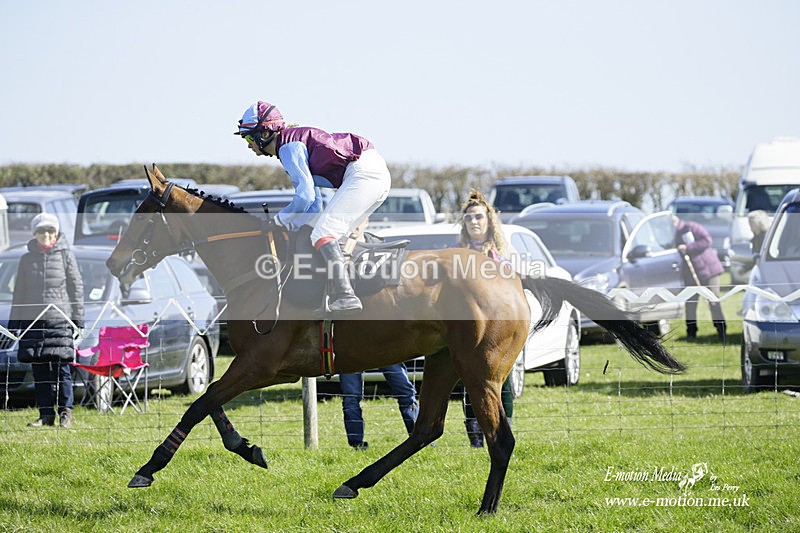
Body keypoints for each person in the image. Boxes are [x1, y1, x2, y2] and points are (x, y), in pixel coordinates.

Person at [235, 101, 391, 316]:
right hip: (371, 173)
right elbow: (313, 204)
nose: (249, 145)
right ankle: (340, 294)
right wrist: (295, 226)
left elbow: (304, 196)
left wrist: (279, 220)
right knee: (328, 235)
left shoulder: (288, 147)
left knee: (324, 233)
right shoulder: (291, 145)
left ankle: (346, 295)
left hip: (364, 174)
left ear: (264, 134)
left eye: (250, 138)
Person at [337, 218, 419, 449]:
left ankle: (418, 436)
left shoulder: (379, 246)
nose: (353, 224)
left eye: (358, 219)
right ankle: (355, 443)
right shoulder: (332, 250)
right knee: (351, 396)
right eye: (349, 218)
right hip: (350, 336)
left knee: (405, 389)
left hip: (383, 336)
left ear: (366, 221)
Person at [9, 213, 84, 428]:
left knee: (62, 369)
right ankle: (45, 414)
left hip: (60, 322)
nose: (47, 235)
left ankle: (66, 413)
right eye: (42, 231)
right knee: (40, 371)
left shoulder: (66, 256)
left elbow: (76, 288)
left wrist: (78, 320)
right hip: (34, 323)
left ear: (57, 233)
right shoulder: (26, 259)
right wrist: (16, 324)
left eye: (51, 231)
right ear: (35, 234)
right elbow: (19, 293)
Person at [458, 190, 514, 448]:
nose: (473, 222)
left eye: (478, 217)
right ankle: (474, 435)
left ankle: (505, 427)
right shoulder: (458, 254)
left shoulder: (502, 254)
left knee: (503, 381)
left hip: (498, 327)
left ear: (489, 220)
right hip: (469, 327)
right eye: (469, 218)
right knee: (469, 379)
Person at [673, 215, 726, 341]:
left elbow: (707, 240)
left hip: (708, 270)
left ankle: (721, 330)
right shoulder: (674, 234)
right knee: (690, 304)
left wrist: (687, 248)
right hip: (691, 274)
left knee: (713, 302)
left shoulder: (691, 227)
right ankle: (691, 333)